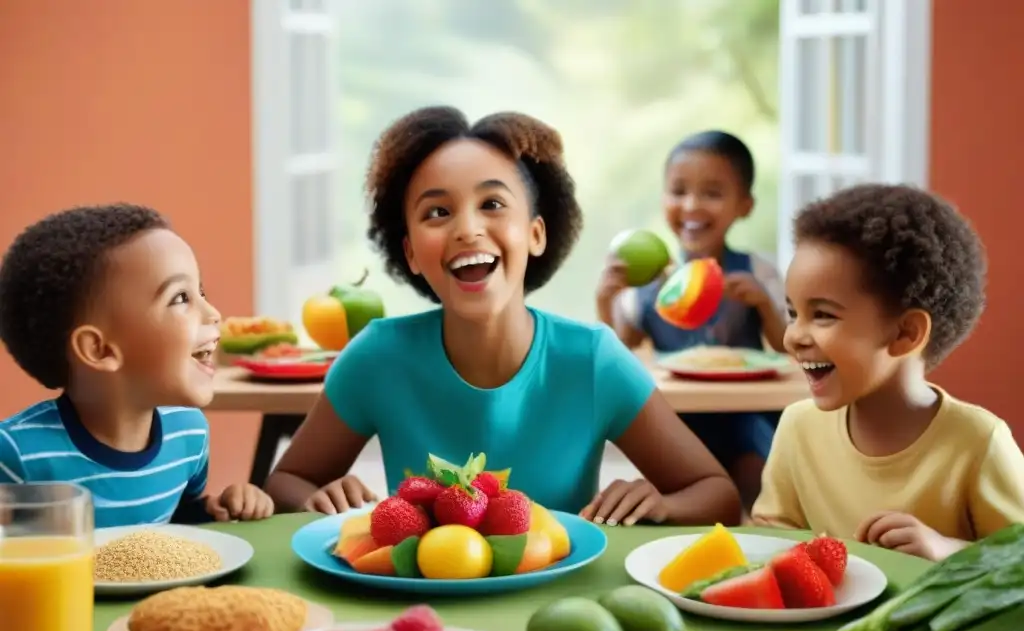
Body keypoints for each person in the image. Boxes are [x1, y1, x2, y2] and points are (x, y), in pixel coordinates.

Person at [265, 106, 741, 526]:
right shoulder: (377, 357)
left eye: (492, 204)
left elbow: (715, 494)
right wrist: (317, 497)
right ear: (409, 252)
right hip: (421, 606)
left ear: (536, 234)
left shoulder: (592, 360)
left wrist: (662, 504)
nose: (467, 228)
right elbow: (288, 479)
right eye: (437, 212)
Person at [751, 183, 1024, 561]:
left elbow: (1017, 562)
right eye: (793, 313)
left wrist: (948, 551)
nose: (792, 337)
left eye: (823, 315)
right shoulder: (798, 427)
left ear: (905, 333)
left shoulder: (979, 443)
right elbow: (770, 538)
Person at [0, 204, 274, 527]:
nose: (213, 312)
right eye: (181, 298)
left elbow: (177, 525)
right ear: (100, 350)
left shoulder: (188, 433)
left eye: (200, 291)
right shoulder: (16, 456)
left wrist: (219, 509)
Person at [597, 130, 787, 507]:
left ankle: (750, 523)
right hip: (679, 417)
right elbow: (622, 349)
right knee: (672, 477)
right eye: (678, 191)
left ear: (744, 205)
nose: (691, 206)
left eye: (712, 194)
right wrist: (607, 300)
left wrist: (764, 304)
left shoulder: (758, 271)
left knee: (754, 467)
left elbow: (786, 345)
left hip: (744, 413)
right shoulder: (649, 280)